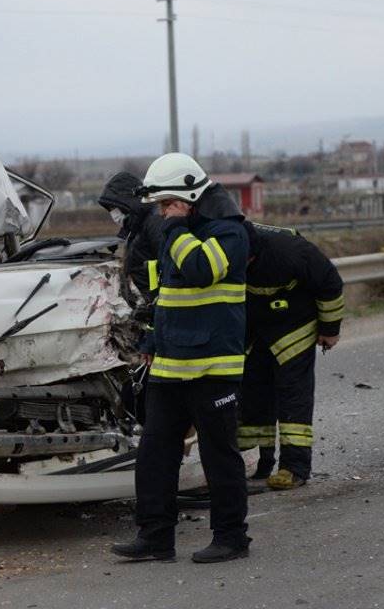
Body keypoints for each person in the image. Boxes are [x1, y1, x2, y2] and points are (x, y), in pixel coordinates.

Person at [111, 153, 252, 564]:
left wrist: (174, 228)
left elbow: (198, 271)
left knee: (218, 455)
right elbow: (168, 298)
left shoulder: (229, 233)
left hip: (213, 367)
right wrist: (152, 340)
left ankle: (231, 537)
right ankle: (155, 537)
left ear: (189, 196)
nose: (160, 212)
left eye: (165, 203)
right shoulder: (178, 232)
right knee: (155, 454)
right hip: (170, 366)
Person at [237, 222, 344, 489]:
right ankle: (256, 464)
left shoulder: (292, 252)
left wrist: (329, 329)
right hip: (255, 330)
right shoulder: (226, 246)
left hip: (294, 325)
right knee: (252, 395)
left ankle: (294, 468)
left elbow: (330, 283)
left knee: (293, 396)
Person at [98, 172, 165, 309]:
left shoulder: (153, 222)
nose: (113, 213)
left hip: (157, 303)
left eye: (113, 207)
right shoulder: (135, 226)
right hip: (146, 302)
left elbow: (167, 263)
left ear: (127, 202)